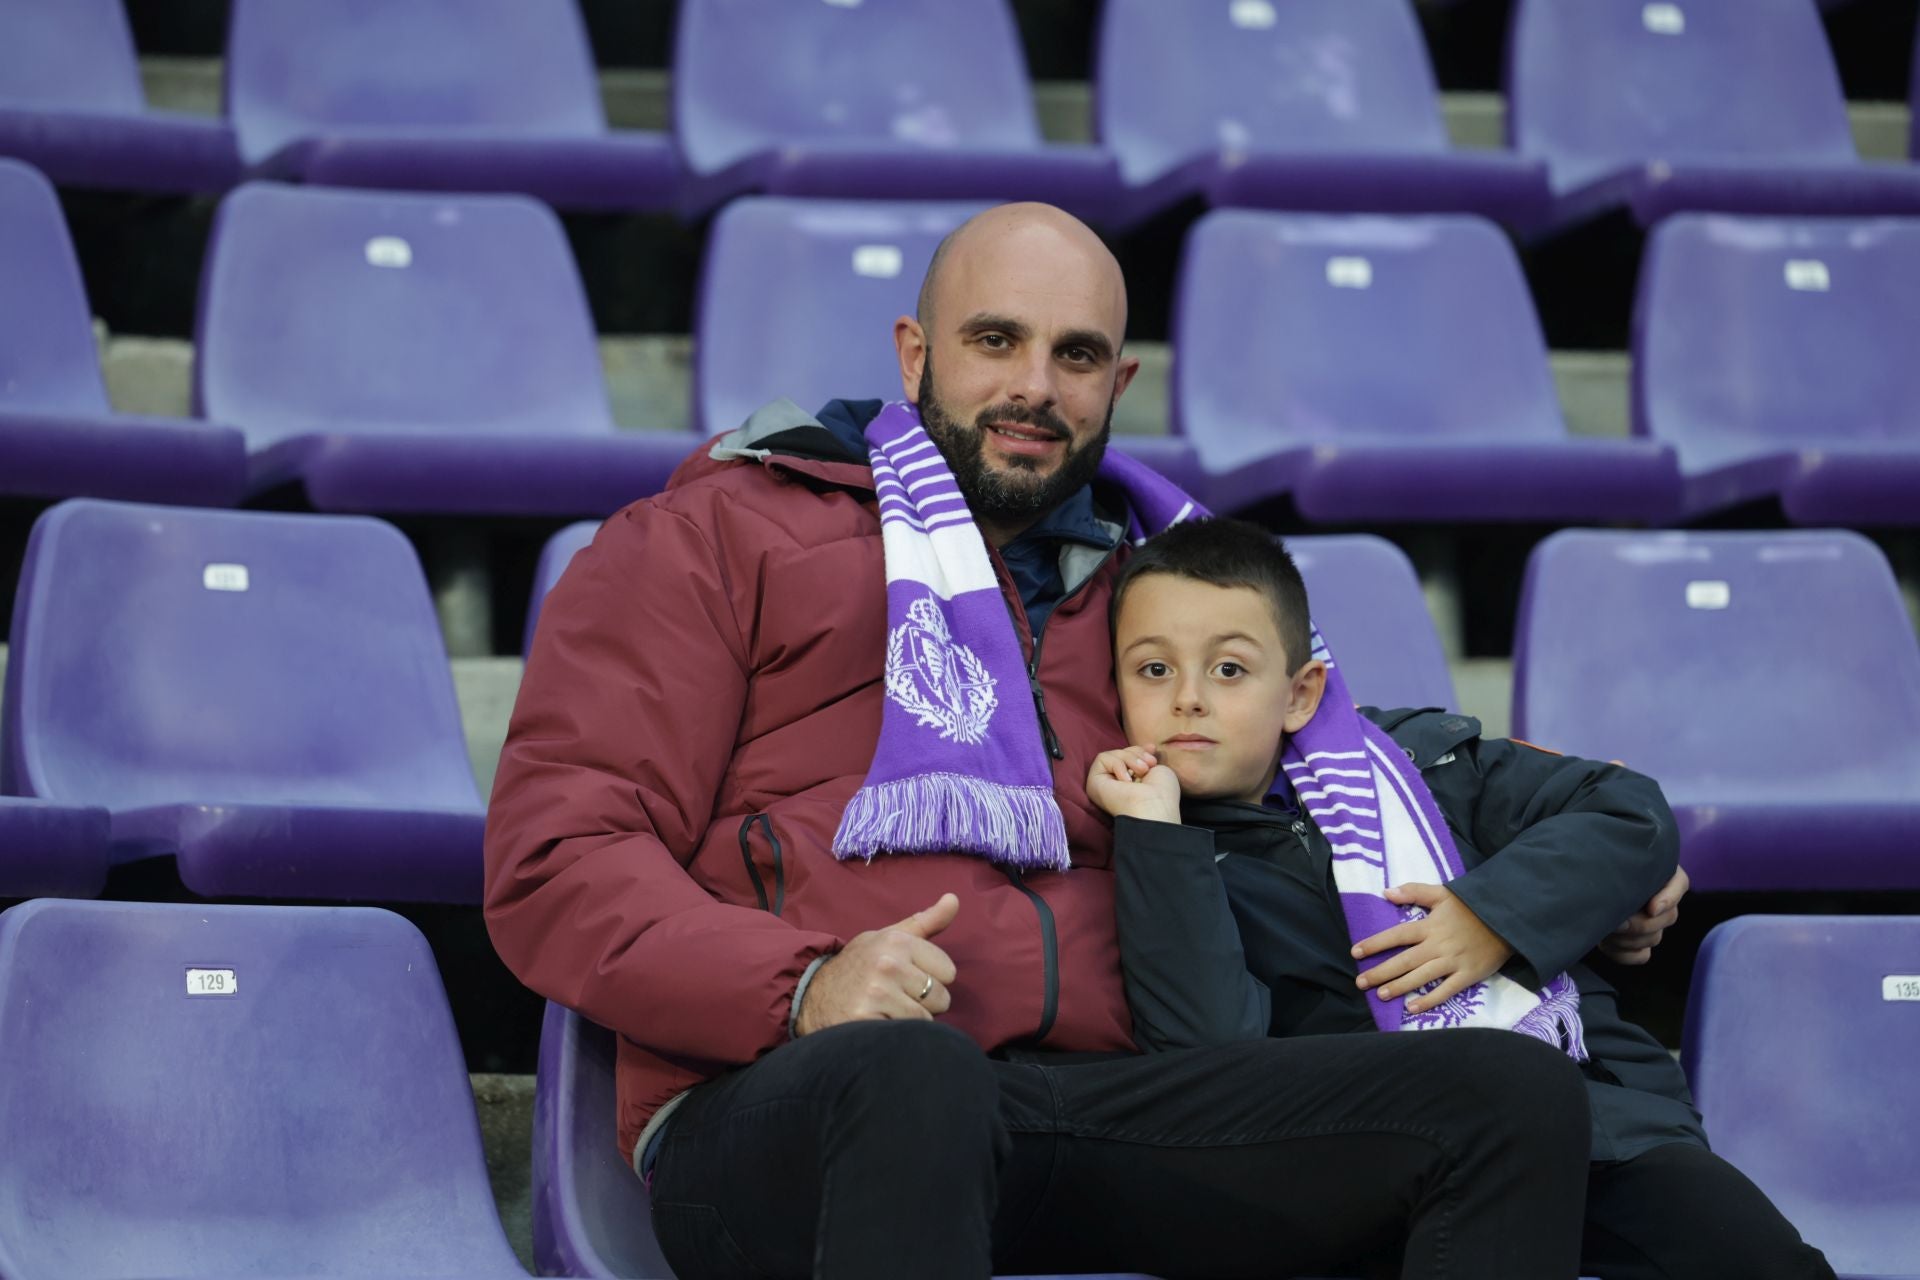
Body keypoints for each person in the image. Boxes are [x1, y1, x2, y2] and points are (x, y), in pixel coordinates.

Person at [484, 202, 1663, 1279]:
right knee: (916, 1072)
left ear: (1119, 380)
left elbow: (1322, 754)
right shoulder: (713, 534)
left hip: (1101, 1102)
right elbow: (559, 854)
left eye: (1077, 355)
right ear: (914, 355)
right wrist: (802, 986)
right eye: (995, 340)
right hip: (793, 1100)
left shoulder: (1163, 584)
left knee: (1503, 1102)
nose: (1034, 386)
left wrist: (1588, 857)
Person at [1088, 516, 1836, 1280]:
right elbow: (1210, 1057)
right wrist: (1158, 834)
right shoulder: (1148, 847)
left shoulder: (1415, 763)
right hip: (1364, 1175)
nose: (1188, 700)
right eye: (1153, 671)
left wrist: (1492, 918)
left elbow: (1626, 810)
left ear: (1301, 693)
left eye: (1229, 670)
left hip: (1601, 1131)